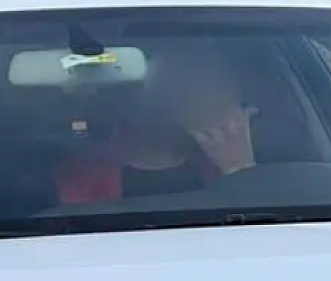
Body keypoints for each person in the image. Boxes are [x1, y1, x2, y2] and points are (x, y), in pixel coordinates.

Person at [53, 44, 256, 205]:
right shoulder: (88, 173)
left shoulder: (220, 165)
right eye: (203, 92)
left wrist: (240, 171)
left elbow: (256, 233)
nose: (226, 112)